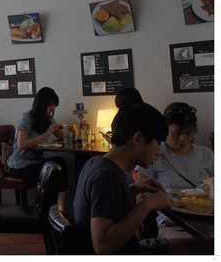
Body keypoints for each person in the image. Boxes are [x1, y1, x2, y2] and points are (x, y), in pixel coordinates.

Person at [73, 102, 182, 255]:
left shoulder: (96, 163)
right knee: (203, 246)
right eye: (158, 143)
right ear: (137, 139)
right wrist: (147, 205)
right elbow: (103, 246)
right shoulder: (108, 177)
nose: (159, 152)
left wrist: (132, 190)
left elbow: (106, 207)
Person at [134, 102, 214, 247]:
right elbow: (140, 197)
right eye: (177, 132)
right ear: (165, 130)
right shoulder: (154, 154)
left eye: (189, 132)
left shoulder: (206, 154)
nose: (183, 138)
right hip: (174, 223)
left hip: (209, 221)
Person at [6, 87, 68, 192]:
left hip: (36, 161)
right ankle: (46, 202)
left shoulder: (48, 119)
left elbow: (61, 137)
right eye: (50, 107)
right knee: (52, 172)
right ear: (42, 105)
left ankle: (61, 201)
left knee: (61, 163)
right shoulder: (26, 117)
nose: (52, 110)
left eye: (53, 108)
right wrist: (46, 134)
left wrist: (60, 134)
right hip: (20, 164)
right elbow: (21, 145)